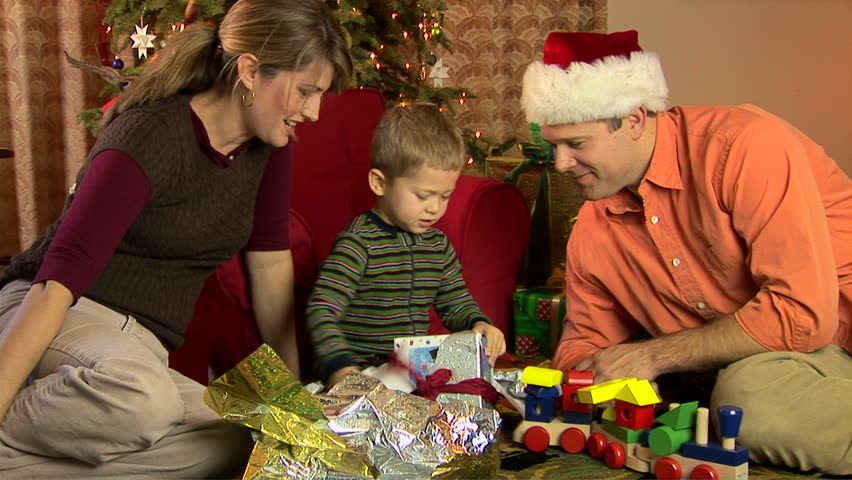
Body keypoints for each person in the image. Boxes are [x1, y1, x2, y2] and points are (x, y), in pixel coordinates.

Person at [0, 0, 352, 477]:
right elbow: (56, 280)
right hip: (63, 312)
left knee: (247, 440)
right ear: (250, 71)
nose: (311, 112)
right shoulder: (149, 135)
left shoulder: (270, 146)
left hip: (138, 349)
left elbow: (270, 265)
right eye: (305, 91)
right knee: (141, 398)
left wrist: (287, 394)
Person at [521, 30, 851, 475]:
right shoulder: (595, 227)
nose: (560, 164)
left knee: (746, 399)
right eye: (553, 146)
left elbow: (803, 315)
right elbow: (584, 341)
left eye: (576, 144)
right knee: (714, 397)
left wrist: (653, 355)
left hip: (830, 343)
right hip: (746, 366)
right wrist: (592, 373)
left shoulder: (744, 147)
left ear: (635, 118)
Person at [306, 103, 507, 388]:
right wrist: (340, 368)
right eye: (423, 195)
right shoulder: (359, 245)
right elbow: (322, 309)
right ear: (379, 183)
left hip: (414, 371)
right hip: (362, 375)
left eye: (445, 196)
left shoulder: (437, 246)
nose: (434, 209)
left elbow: (456, 302)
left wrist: (478, 323)